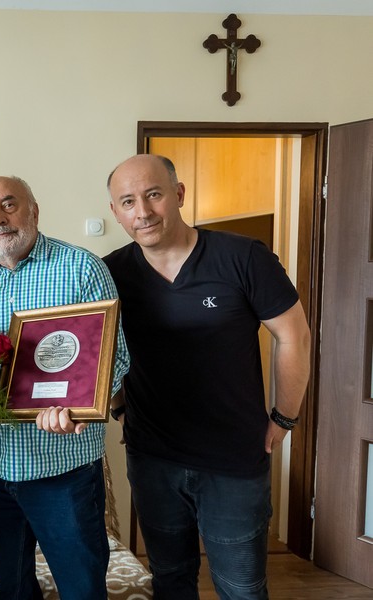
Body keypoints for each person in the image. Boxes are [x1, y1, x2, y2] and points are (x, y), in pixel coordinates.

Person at [103, 154, 311, 600]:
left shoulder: (242, 257)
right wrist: (119, 406)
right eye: (128, 201)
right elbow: (100, 350)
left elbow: (294, 337)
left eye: (153, 194)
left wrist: (284, 417)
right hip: (152, 459)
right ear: (116, 212)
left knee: (241, 588)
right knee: (171, 581)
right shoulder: (110, 273)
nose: (143, 211)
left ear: (178, 194)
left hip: (233, 462)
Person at [0, 175, 130, 600]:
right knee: (11, 589)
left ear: (34, 211)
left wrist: (80, 405)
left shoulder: (82, 269)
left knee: (81, 590)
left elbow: (117, 360)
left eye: (9, 205)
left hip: (62, 472)